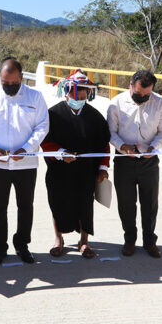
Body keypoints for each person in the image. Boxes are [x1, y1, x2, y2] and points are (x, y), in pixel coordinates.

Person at [0, 57, 49, 266]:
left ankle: (22, 245)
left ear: (21, 77)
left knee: (25, 205)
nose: (9, 86)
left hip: (25, 164)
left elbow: (42, 126)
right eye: (4, 82)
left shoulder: (35, 97)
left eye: (13, 82)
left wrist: (26, 149)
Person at [42, 70, 111, 259]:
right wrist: (60, 154)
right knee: (57, 203)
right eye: (76, 93)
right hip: (59, 170)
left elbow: (103, 144)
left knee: (85, 205)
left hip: (86, 171)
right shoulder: (53, 114)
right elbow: (44, 141)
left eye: (83, 93)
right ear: (66, 92)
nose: (79, 97)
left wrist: (103, 167)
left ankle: (84, 241)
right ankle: (59, 239)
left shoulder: (95, 116)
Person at [107, 69, 162, 258]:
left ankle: (149, 241)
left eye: (146, 95)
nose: (142, 98)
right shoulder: (116, 103)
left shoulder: (160, 103)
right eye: (138, 94)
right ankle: (129, 239)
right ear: (130, 85)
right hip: (123, 160)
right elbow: (110, 132)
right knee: (126, 203)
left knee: (150, 204)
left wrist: (154, 147)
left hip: (149, 162)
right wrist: (122, 146)